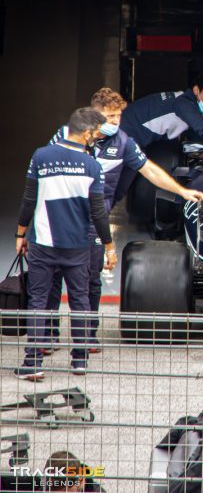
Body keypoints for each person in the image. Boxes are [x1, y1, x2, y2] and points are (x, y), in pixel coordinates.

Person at [46, 87, 203, 352]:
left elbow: (150, 170)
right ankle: (47, 336)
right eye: (109, 116)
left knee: (91, 280)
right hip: (60, 218)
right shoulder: (66, 135)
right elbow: (44, 171)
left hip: (94, 223)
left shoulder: (123, 142)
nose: (115, 122)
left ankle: (86, 336)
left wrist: (182, 191)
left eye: (118, 116)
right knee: (53, 277)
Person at [14, 108, 117, 381]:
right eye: (96, 134)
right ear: (86, 133)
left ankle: (32, 363)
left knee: (38, 301)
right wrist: (109, 247)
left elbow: (29, 200)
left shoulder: (40, 156)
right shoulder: (92, 165)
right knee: (80, 301)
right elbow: (98, 213)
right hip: (77, 246)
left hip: (43, 243)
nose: (97, 138)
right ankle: (79, 361)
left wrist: (20, 234)